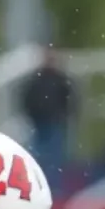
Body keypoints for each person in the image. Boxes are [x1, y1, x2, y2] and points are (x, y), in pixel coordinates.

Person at [21, 52, 77, 193]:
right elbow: (27, 98)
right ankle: (39, 186)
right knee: (40, 156)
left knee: (54, 158)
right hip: (40, 122)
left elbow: (69, 100)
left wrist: (63, 116)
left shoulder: (59, 79)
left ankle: (53, 188)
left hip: (54, 123)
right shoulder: (38, 79)